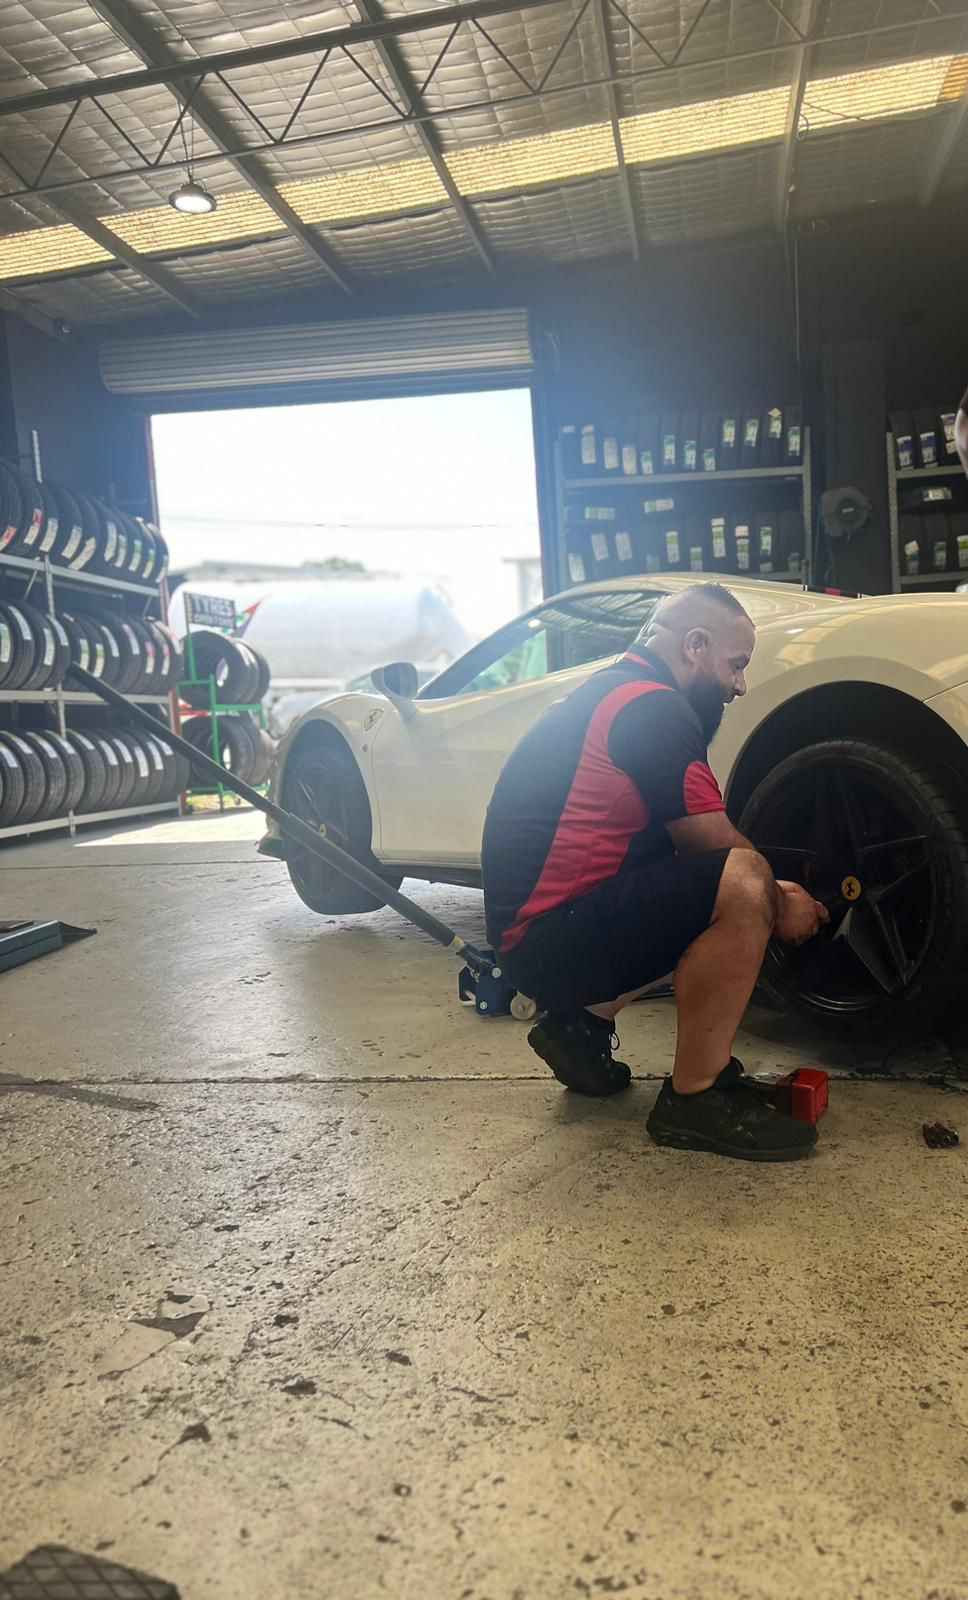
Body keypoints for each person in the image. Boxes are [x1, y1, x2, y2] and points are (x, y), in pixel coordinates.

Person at [481, 582, 829, 1162]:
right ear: (695, 645)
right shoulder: (652, 707)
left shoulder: (610, 693)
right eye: (736, 664)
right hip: (549, 941)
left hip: (536, 939)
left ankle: (580, 1029)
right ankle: (697, 1098)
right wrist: (783, 900)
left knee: (705, 885)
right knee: (745, 881)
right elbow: (714, 845)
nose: (740, 685)